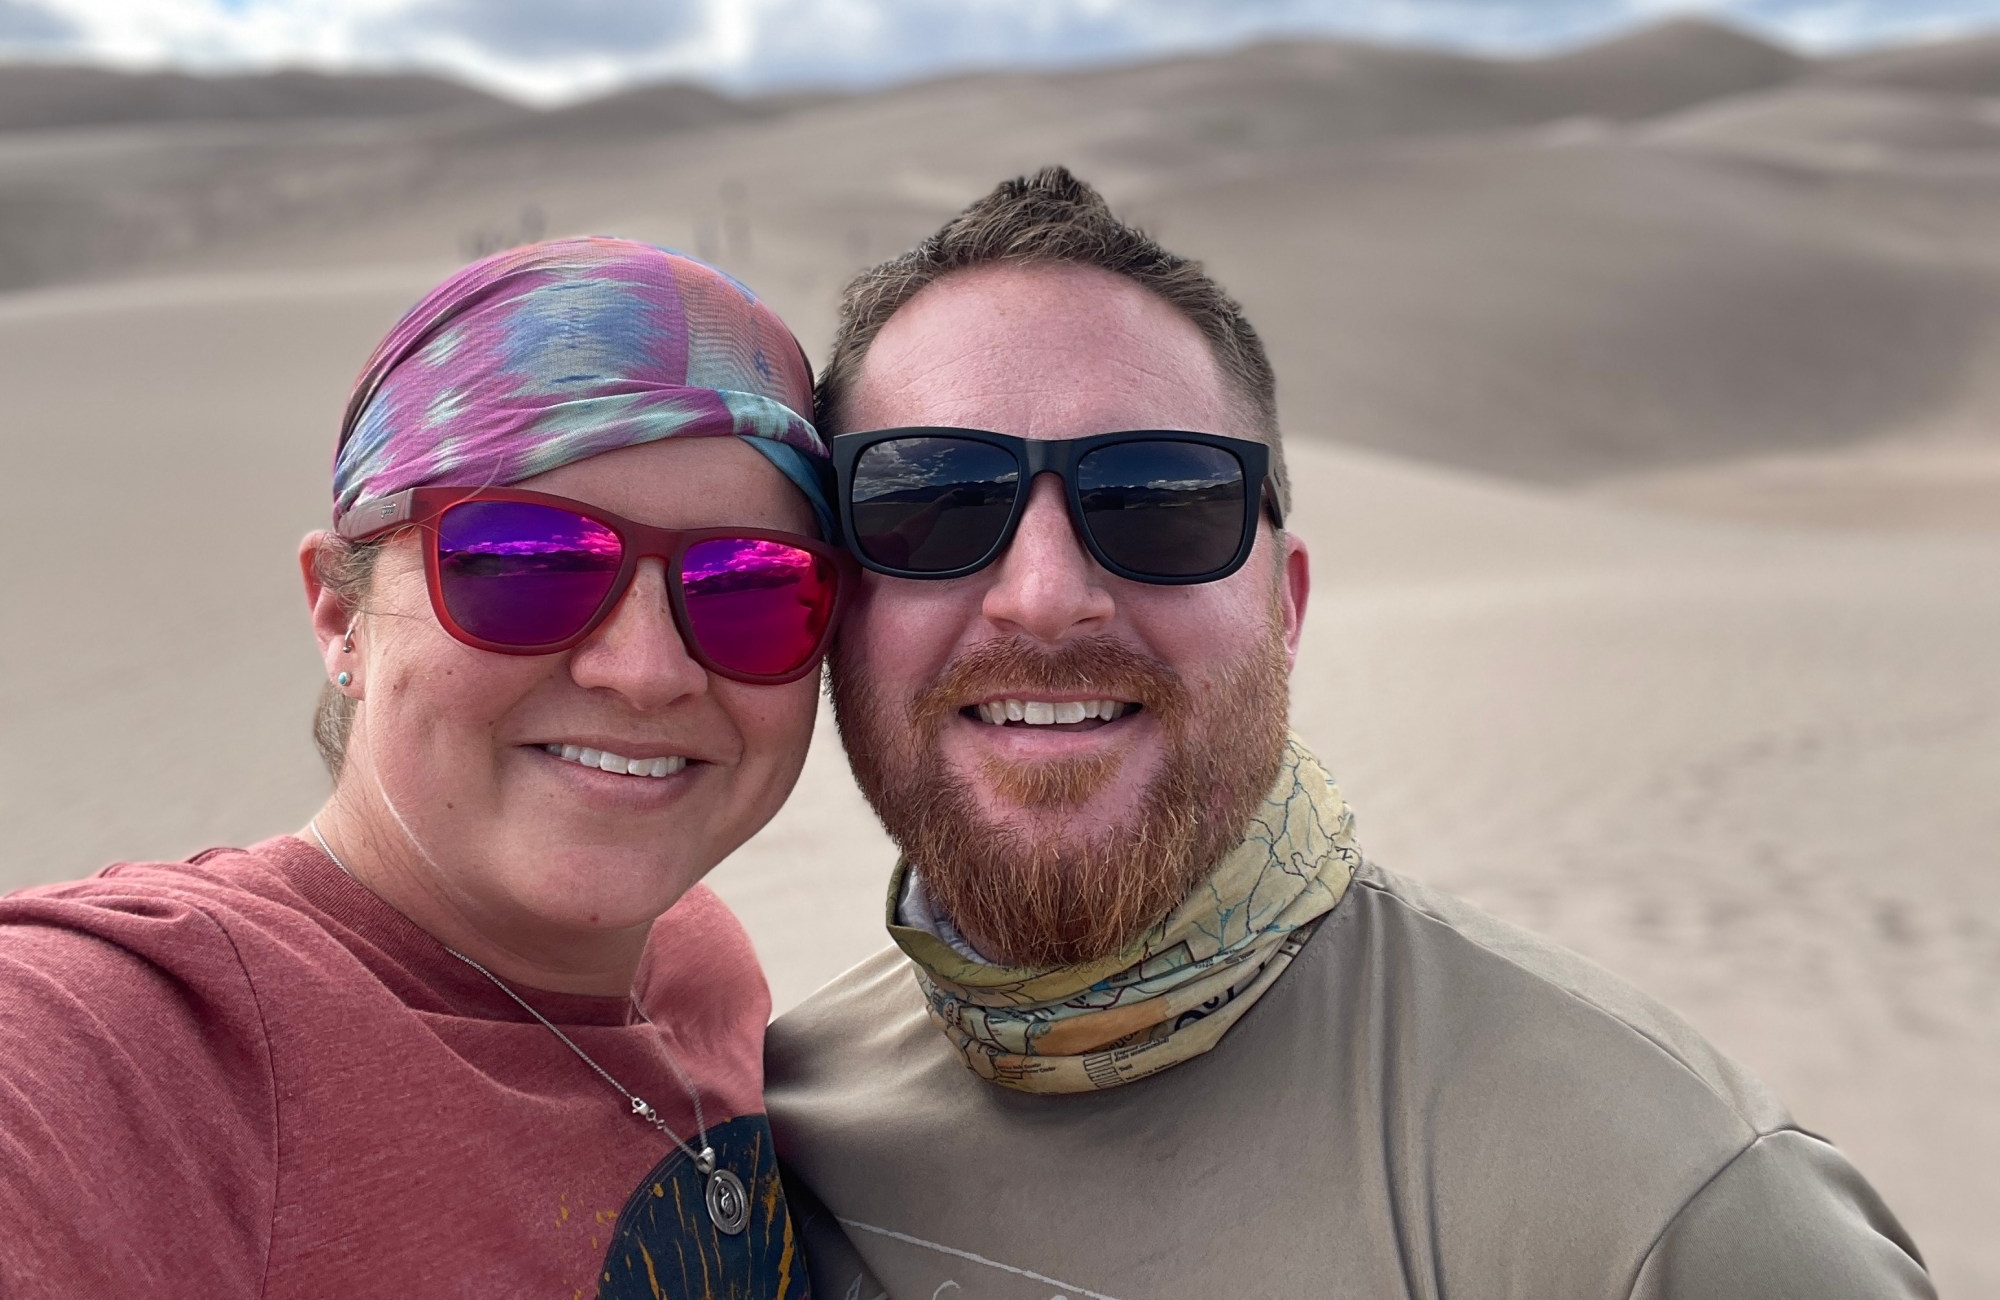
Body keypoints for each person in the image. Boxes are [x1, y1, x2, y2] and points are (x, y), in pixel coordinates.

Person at [763, 169, 1935, 1298]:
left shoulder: (1664, 1209)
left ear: (1284, 610)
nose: (1044, 595)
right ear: (831, 608)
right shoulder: (756, 1137)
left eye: (1159, 501)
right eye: (927, 502)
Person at [0, 237, 848, 1296]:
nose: (644, 671)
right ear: (339, 612)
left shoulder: (696, 967)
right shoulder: (135, 1045)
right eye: (524, 562)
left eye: (750, 586)